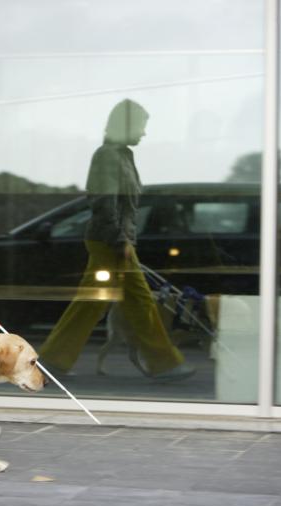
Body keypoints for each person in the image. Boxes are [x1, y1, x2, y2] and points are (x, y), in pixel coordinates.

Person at [38, 99, 196, 381]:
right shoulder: (107, 156)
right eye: (141, 127)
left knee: (109, 302)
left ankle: (53, 361)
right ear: (126, 125)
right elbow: (104, 201)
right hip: (110, 242)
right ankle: (164, 364)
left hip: (118, 242)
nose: (144, 133)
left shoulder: (122, 155)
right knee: (127, 301)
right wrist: (120, 240)